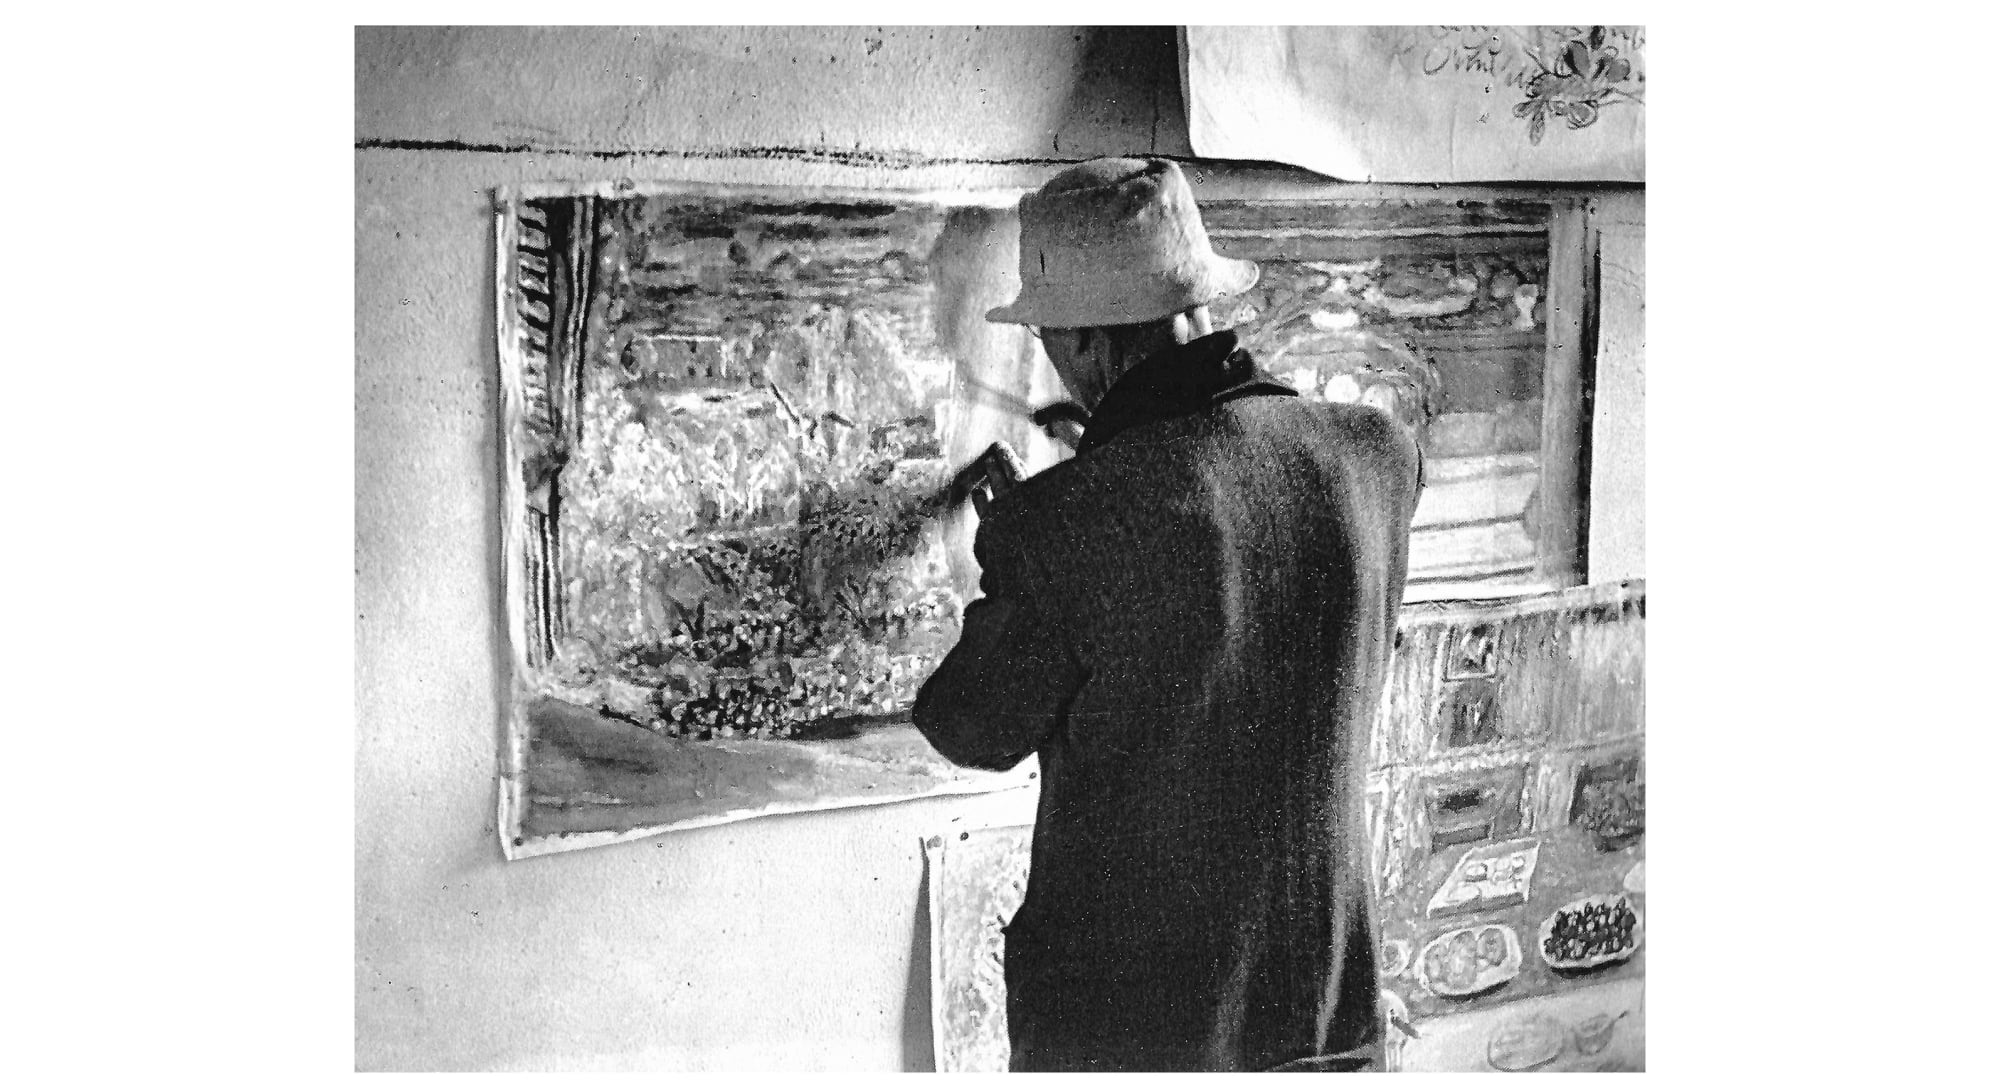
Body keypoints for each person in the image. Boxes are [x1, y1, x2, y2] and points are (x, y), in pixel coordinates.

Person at [912, 158, 1424, 1072]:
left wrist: (1026, 544)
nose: (1053, 364)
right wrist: (1094, 487)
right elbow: (1224, 555)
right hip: (1326, 1025)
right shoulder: (1377, 457)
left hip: (1131, 1039)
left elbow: (969, 725)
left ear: (1096, 348)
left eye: (1055, 341)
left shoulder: (1068, 523)